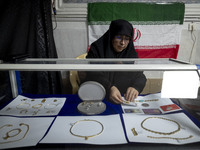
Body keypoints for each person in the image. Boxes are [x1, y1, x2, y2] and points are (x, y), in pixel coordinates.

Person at [82, 19, 146, 104]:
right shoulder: (97, 49)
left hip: (120, 99)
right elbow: (94, 74)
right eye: (119, 37)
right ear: (111, 36)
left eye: (127, 39)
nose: (122, 43)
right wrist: (110, 87)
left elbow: (140, 76)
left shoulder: (130, 53)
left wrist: (136, 87)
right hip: (96, 97)